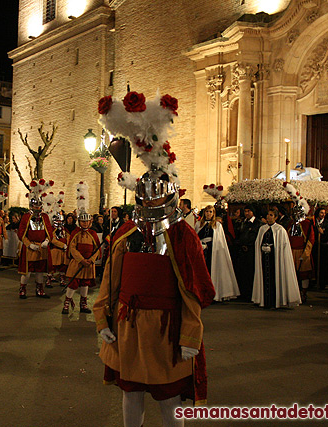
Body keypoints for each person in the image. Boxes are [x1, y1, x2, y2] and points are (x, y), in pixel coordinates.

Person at [95, 90, 215, 426]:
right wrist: (103, 318)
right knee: (130, 393)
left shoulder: (182, 236)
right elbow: (110, 281)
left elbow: (194, 290)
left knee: (168, 396)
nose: (149, 199)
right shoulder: (127, 234)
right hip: (128, 327)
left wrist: (191, 334)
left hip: (166, 330)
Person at [17, 179, 60, 299]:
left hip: (42, 247)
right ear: (31, 205)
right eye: (36, 205)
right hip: (30, 247)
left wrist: (47, 240)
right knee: (27, 271)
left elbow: (49, 231)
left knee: (40, 270)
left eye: (39, 205)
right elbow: (21, 233)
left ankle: (40, 289)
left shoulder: (45, 217)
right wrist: (28, 244)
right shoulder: (26, 217)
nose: (38, 208)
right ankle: (22, 289)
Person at [252, 207, 301, 308]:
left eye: (271, 215)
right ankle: (264, 301)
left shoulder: (280, 230)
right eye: (268, 215)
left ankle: (276, 301)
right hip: (264, 258)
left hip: (275, 259)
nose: (268, 217)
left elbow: (283, 246)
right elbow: (258, 243)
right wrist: (263, 248)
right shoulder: (262, 229)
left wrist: (272, 248)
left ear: (276, 217)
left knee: (275, 278)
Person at [63, 182, 100, 314]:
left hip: (88, 263)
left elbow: (97, 249)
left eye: (87, 221)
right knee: (74, 283)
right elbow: (72, 248)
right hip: (78, 263)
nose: (85, 223)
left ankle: (83, 304)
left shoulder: (93, 233)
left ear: (90, 222)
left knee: (85, 283)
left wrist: (91, 259)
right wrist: (81, 259)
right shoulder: (76, 233)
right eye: (83, 221)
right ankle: (67, 303)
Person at [195, 205, 239, 301]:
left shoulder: (217, 225)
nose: (208, 214)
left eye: (210, 212)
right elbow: (196, 236)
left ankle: (213, 293)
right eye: (207, 211)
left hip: (212, 250)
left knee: (212, 270)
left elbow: (219, 241)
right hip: (201, 250)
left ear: (213, 213)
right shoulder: (199, 224)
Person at [234, 205, 261, 301]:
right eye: (245, 211)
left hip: (251, 252)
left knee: (250, 273)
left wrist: (249, 245)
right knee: (242, 273)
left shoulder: (258, 223)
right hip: (242, 251)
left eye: (249, 211)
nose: (246, 213)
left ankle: (250, 294)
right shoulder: (243, 223)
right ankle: (243, 293)